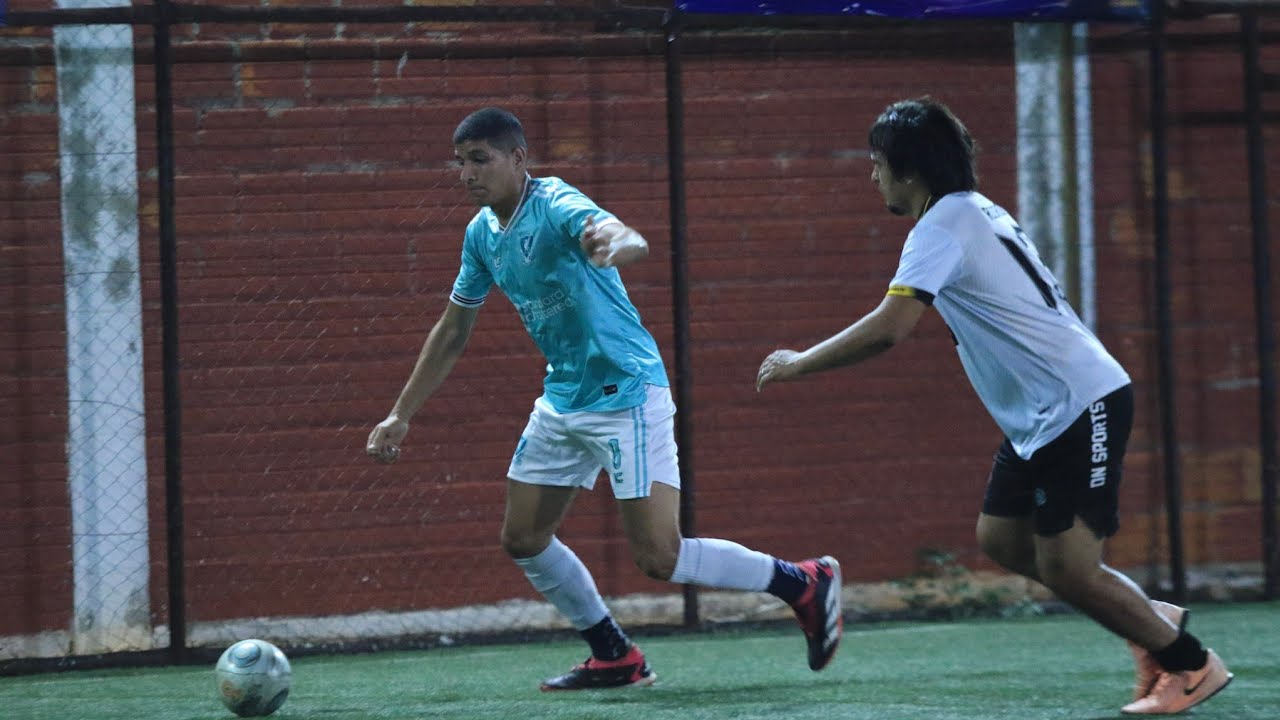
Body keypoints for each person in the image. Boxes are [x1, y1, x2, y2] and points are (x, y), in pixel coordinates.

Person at [755, 97, 1232, 715]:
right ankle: (1147, 619)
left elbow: (890, 327)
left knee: (1070, 569)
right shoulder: (970, 211)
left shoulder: (941, 227)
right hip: (1043, 415)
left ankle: (1191, 665)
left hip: (1076, 403)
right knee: (1004, 541)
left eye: (877, 163)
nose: (872, 175)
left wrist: (799, 363)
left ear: (911, 170)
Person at [366, 107, 843, 691]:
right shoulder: (481, 234)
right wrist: (401, 413)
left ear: (518, 159)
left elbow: (617, 233)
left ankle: (803, 583)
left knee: (659, 557)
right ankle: (614, 654)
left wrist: (619, 242)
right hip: (564, 398)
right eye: (460, 163)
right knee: (523, 538)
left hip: (627, 394)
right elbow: (452, 330)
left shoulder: (557, 202)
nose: (466, 174)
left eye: (480, 160)